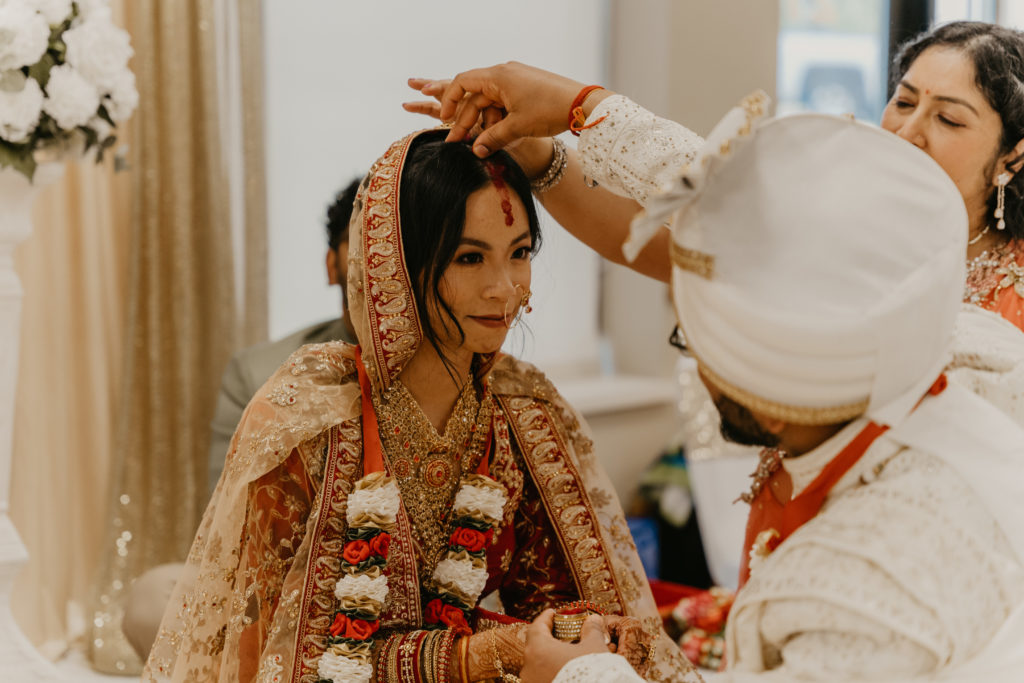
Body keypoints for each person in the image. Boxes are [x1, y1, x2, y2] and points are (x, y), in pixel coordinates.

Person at [413, 55, 1024, 681]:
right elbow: (758, 216)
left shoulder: (867, 573)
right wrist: (575, 114)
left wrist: (578, 674)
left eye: (690, 337)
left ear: (765, 390)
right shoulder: (957, 343)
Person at [142, 129, 700, 683]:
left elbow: (559, 596)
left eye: (520, 253)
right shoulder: (312, 416)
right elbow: (284, 657)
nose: (505, 289)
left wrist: (588, 630)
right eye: (469, 257)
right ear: (397, 264)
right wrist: (476, 656)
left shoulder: (523, 409)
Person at [405, 21, 1024, 333]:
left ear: (1012, 157)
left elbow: (739, 200)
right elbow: (667, 250)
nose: (909, 130)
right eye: (905, 100)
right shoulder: (856, 230)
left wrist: (581, 104)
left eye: (948, 118)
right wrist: (539, 156)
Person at [121, 180, 363, 662]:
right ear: (332, 264)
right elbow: (229, 529)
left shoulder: (466, 367)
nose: (377, 271)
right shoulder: (260, 372)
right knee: (153, 600)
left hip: (407, 595)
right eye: (362, 251)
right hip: (277, 590)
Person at [206, 178, 360, 496]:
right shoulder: (256, 375)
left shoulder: (466, 374)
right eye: (362, 244)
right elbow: (227, 520)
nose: (381, 263)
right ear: (331, 265)